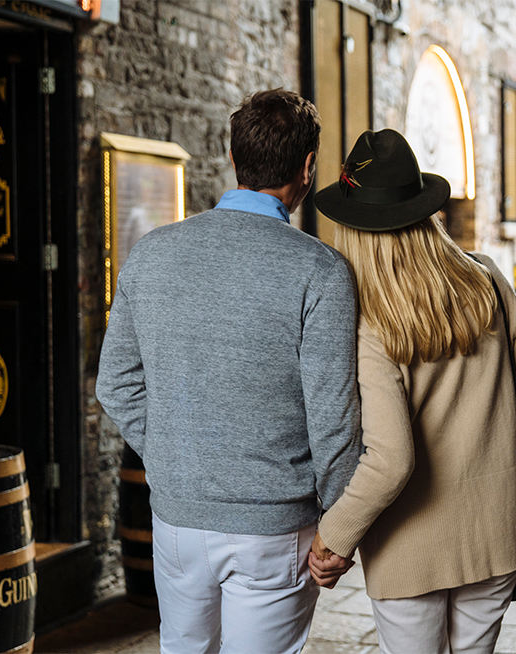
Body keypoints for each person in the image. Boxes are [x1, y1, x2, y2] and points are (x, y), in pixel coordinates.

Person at [96, 89, 361, 654]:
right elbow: (334, 423)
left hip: (177, 522)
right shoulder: (321, 272)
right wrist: (339, 528)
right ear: (307, 167)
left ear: (234, 157)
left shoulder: (151, 253)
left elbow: (115, 383)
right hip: (276, 529)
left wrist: (173, 452)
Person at [307, 129, 516, 653]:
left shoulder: (368, 319)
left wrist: (335, 536)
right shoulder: (488, 278)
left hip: (411, 545)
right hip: (494, 530)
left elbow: (391, 459)